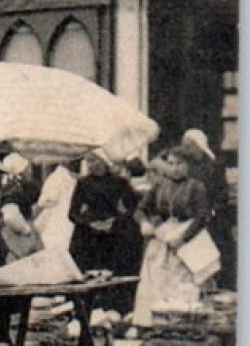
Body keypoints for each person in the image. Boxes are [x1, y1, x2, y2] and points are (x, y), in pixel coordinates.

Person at [133, 144, 215, 326]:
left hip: (188, 239)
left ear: (189, 166)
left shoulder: (196, 187)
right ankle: (153, 324)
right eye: (171, 163)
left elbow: (202, 216)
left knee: (183, 282)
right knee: (156, 279)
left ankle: (181, 325)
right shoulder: (160, 185)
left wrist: (183, 238)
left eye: (180, 164)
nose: (175, 168)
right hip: (163, 237)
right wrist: (144, 223)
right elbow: (140, 209)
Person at [68, 148, 143, 314]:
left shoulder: (120, 182)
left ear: (104, 161)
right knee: (88, 272)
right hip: (89, 234)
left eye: (95, 161)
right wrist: (88, 224)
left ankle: (114, 307)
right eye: (88, 161)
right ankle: (88, 307)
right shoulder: (83, 183)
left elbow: (133, 208)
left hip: (113, 233)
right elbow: (72, 213)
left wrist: (116, 221)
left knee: (114, 270)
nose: (92, 165)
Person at [179, 128, 236, 291]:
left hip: (212, 219)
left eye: (189, 146)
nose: (186, 150)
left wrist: (212, 212)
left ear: (198, 146)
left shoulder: (213, 166)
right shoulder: (185, 166)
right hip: (192, 219)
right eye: (184, 146)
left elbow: (221, 194)